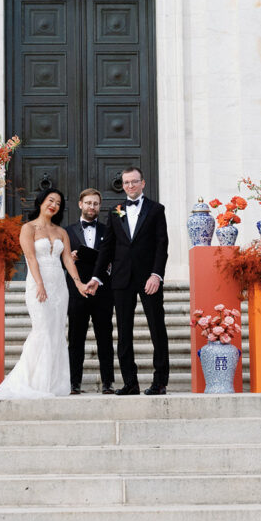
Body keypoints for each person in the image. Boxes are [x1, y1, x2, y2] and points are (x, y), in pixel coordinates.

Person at [0, 189, 89, 399]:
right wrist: (40, 284)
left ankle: (54, 384)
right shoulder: (28, 228)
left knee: (57, 331)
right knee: (42, 330)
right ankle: (34, 382)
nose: (54, 205)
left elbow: (67, 259)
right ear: (41, 202)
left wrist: (79, 284)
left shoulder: (61, 232)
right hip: (38, 283)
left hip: (59, 285)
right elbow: (31, 258)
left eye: (58, 202)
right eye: (50, 200)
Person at [87, 166, 169, 395]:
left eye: (134, 182)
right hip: (121, 279)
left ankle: (160, 381)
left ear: (143, 183)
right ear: (122, 185)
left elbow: (162, 245)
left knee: (156, 328)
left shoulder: (156, 209)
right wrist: (96, 275)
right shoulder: (116, 211)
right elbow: (106, 248)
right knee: (124, 331)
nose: (130, 186)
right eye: (126, 183)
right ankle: (130, 382)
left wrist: (157, 274)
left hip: (148, 278)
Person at [65, 188, 115, 395]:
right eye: (88, 203)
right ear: (80, 204)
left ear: (99, 206)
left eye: (95, 204)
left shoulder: (108, 230)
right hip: (77, 292)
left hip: (103, 292)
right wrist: (71, 258)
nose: (91, 207)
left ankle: (108, 383)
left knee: (105, 339)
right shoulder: (67, 231)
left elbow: (114, 259)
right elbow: (61, 260)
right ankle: (73, 383)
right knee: (76, 339)